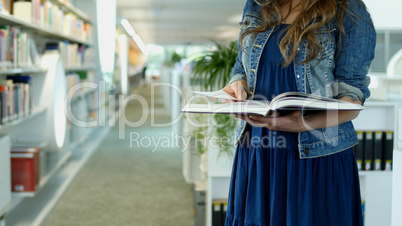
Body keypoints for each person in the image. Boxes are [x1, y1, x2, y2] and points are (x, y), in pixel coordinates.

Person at [222, 0, 376, 225]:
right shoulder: (257, 4)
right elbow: (241, 68)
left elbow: (352, 99)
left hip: (317, 156)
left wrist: (303, 123)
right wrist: (237, 86)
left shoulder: (349, 9)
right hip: (257, 153)